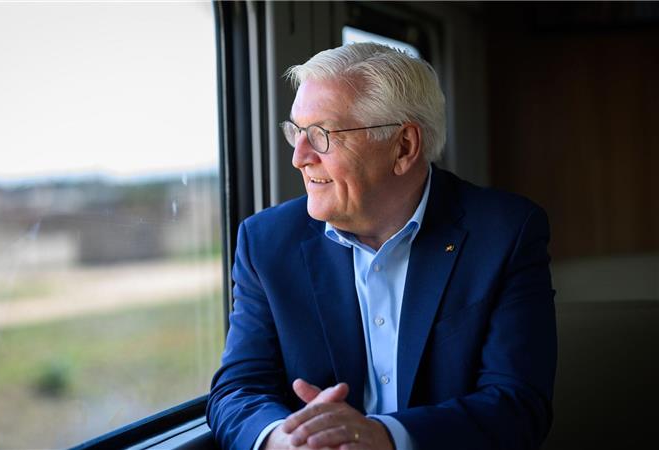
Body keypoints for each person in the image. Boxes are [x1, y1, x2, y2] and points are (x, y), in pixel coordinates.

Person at [206, 42, 556, 450]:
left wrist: (387, 438)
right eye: (296, 133)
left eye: (321, 135)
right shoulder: (266, 242)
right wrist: (281, 440)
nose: (299, 158)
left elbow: (518, 406)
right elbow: (236, 391)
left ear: (404, 146)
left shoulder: (505, 233)